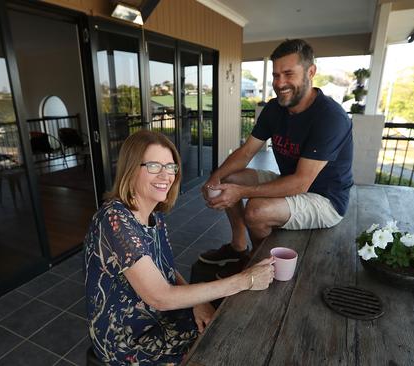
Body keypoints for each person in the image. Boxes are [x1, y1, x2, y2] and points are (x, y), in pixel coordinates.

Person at [84, 130, 275, 365]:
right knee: (219, 348)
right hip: (127, 340)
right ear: (131, 168)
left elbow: (166, 270)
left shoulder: (154, 215)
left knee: (230, 327)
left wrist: (197, 302)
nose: (166, 175)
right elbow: (160, 297)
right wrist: (246, 280)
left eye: (171, 167)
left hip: (159, 317)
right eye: (154, 166)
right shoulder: (114, 220)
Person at [198, 39, 354, 276]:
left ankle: (260, 264)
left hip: (325, 199)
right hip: (291, 181)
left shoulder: (330, 117)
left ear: (311, 72)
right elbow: (247, 151)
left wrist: (239, 193)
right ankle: (239, 248)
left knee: (256, 210)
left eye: (288, 74)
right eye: (276, 75)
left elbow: (301, 183)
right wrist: (215, 179)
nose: (280, 83)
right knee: (230, 178)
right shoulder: (274, 109)